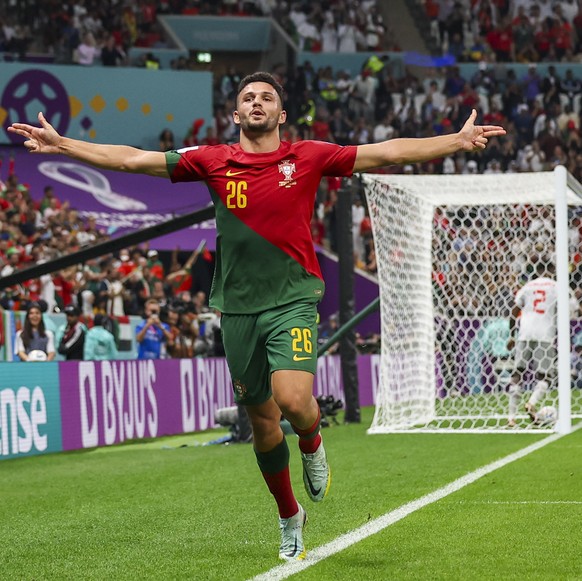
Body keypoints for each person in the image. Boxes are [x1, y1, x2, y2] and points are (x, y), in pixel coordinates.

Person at [8, 72, 505, 561]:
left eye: (267, 97)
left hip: (292, 297)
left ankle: (312, 442)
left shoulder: (307, 156)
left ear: (281, 113)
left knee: (293, 399)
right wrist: (66, 145)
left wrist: (455, 142)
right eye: (248, 97)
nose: (257, 103)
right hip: (238, 308)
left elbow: (387, 151)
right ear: (237, 112)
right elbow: (135, 160)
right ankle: (290, 517)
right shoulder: (212, 161)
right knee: (263, 423)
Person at [506, 262, 557, 428]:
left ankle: (511, 418)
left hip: (525, 332)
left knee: (517, 373)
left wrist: (512, 335)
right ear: (550, 271)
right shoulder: (556, 286)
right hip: (545, 334)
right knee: (545, 375)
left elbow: (514, 310)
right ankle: (531, 403)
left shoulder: (527, 286)